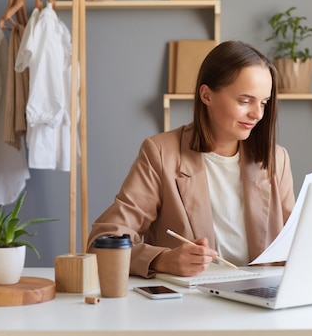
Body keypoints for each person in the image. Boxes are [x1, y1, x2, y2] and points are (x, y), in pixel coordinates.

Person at [87, 40, 295, 278]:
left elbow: (295, 244)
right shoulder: (160, 153)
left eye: (264, 103)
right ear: (207, 95)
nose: (257, 114)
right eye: (245, 101)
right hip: (189, 304)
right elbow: (102, 242)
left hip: (261, 304)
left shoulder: (277, 159)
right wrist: (162, 260)